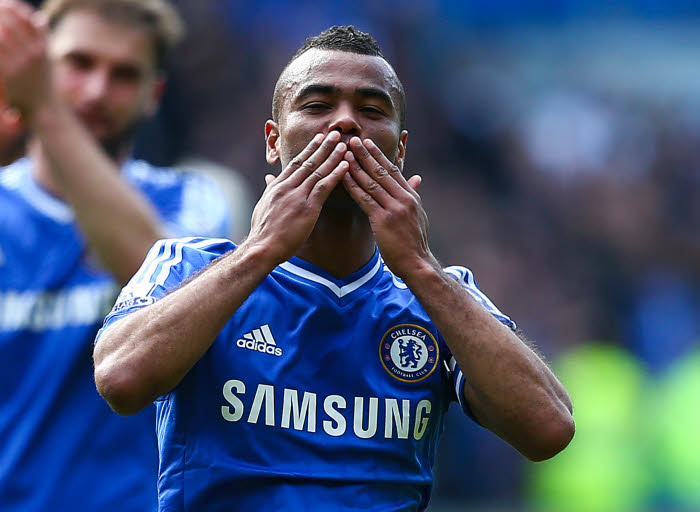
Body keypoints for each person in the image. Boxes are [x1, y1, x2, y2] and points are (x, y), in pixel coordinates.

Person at [94, 26, 575, 511]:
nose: (345, 123)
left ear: (400, 150)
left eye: (372, 110)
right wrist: (260, 250)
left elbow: (548, 429)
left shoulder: (441, 296)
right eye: (318, 105)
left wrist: (420, 267)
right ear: (273, 141)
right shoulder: (185, 265)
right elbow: (120, 380)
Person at [0, 0, 230, 510]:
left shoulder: (190, 201)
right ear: (37, 69)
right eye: (78, 63)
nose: (96, 91)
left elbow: (161, 294)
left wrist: (44, 110)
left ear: (154, 95)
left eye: (124, 74)